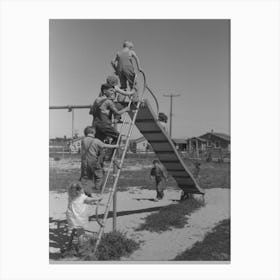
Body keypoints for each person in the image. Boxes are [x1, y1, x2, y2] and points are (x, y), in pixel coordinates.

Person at [64, 181, 102, 254]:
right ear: (80, 190)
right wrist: (97, 199)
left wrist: (92, 201)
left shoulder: (71, 196)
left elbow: (85, 201)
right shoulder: (82, 197)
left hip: (71, 216)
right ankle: (81, 246)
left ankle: (70, 245)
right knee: (80, 232)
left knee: (73, 229)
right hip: (79, 217)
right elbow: (89, 199)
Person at [80, 126, 119, 193]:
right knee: (99, 175)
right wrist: (115, 146)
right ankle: (96, 189)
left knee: (87, 177)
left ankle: (87, 192)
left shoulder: (83, 140)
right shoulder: (96, 141)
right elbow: (104, 145)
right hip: (93, 161)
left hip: (84, 161)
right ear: (93, 132)